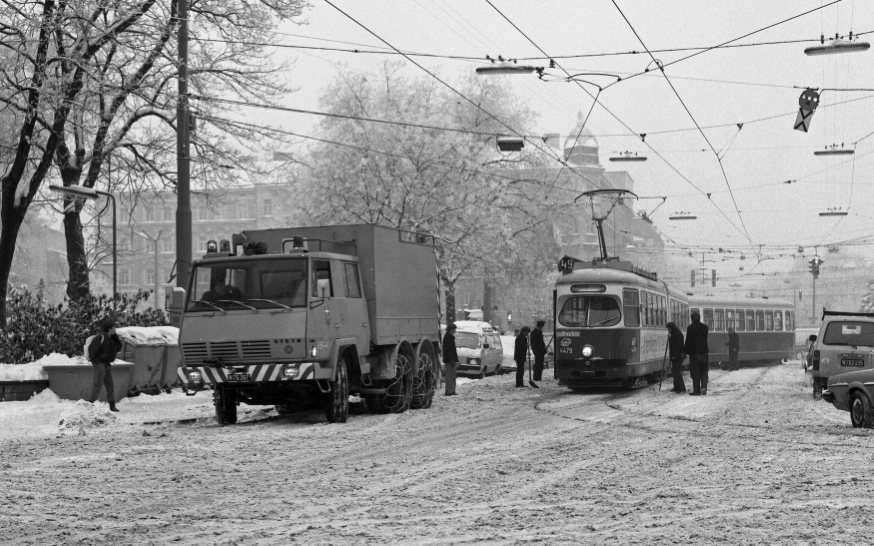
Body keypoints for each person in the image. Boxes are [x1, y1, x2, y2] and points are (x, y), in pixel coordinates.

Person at [87, 319, 123, 412]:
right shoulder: (100, 338)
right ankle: (88, 406)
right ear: (109, 328)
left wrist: (115, 336)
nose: (115, 329)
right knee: (97, 386)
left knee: (110, 386)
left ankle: (112, 405)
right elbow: (92, 352)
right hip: (100, 365)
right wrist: (98, 363)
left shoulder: (111, 338)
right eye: (114, 327)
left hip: (107, 364)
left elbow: (119, 347)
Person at [684, 311, 710, 396]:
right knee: (704, 370)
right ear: (699, 318)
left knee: (695, 372)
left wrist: (685, 351)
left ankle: (696, 390)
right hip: (704, 352)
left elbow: (688, 341)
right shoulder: (705, 327)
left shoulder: (690, 328)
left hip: (694, 353)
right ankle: (704, 387)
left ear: (691, 319)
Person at [666, 322, 686, 393]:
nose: (668, 330)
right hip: (677, 355)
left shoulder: (677, 334)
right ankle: (677, 386)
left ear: (671, 328)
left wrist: (675, 356)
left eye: (669, 329)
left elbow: (677, 347)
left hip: (677, 356)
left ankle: (681, 387)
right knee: (675, 371)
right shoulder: (676, 333)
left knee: (677, 371)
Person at [442, 323, 459, 396]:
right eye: (454, 329)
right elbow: (449, 350)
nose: (455, 331)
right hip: (450, 360)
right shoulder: (448, 338)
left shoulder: (448, 337)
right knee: (450, 375)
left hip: (450, 360)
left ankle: (450, 390)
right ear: (451, 329)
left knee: (451, 375)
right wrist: (453, 359)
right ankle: (449, 391)